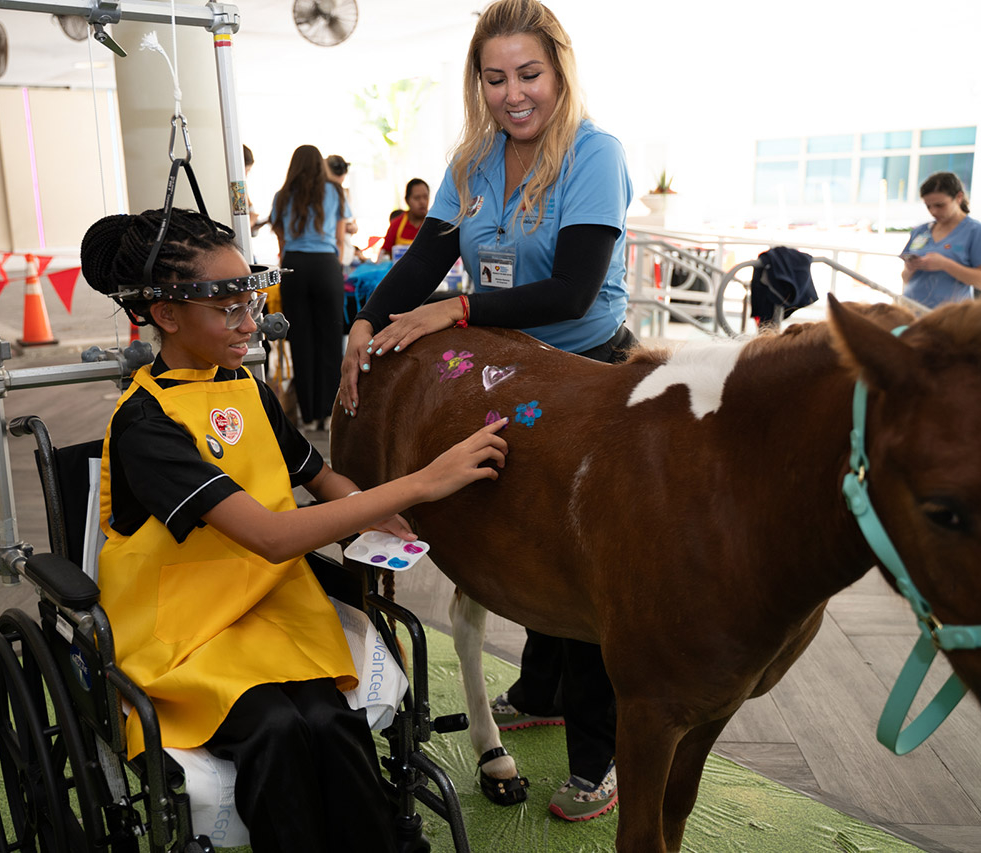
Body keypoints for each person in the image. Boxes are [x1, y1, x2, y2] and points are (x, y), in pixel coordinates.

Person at [80, 206, 508, 853]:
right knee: (277, 728)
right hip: (182, 631)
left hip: (268, 607)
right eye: (227, 308)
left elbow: (316, 474)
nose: (250, 322)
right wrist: (420, 483)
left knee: (331, 722)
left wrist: (370, 506)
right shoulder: (146, 421)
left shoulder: (248, 391)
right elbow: (274, 536)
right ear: (166, 314)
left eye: (248, 300)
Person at [338, 0, 632, 822]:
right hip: (503, 369)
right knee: (525, 537)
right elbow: (425, 258)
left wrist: (456, 312)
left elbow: (572, 288)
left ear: (560, 71)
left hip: (584, 371)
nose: (513, 94)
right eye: (495, 77)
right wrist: (364, 322)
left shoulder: (594, 152)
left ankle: (597, 754)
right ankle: (538, 688)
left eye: (529, 74)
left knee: (582, 563)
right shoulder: (472, 161)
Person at [271, 144, 352, 431]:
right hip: (326, 265)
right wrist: (335, 265)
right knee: (330, 339)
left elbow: (281, 243)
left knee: (301, 341)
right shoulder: (335, 192)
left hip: (294, 266)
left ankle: (306, 415)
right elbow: (341, 239)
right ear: (320, 165)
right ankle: (329, 414)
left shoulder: (282, 196)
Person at [900, 171, 981, 309]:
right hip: (911, 311)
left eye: (940, 205)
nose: (933, 212)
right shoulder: (921, 231)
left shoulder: (976, 232)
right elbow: (906, 279)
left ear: (959, 197)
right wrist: (910, 268)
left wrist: (945, 264)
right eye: (928, 206)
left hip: (949, 318)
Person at [381, 178, 430, 257]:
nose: (422, 202)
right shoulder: (396, 225)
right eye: (417, 198)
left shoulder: (435, 225)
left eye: (425, 197)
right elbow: (385, 254)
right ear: (407, 200)